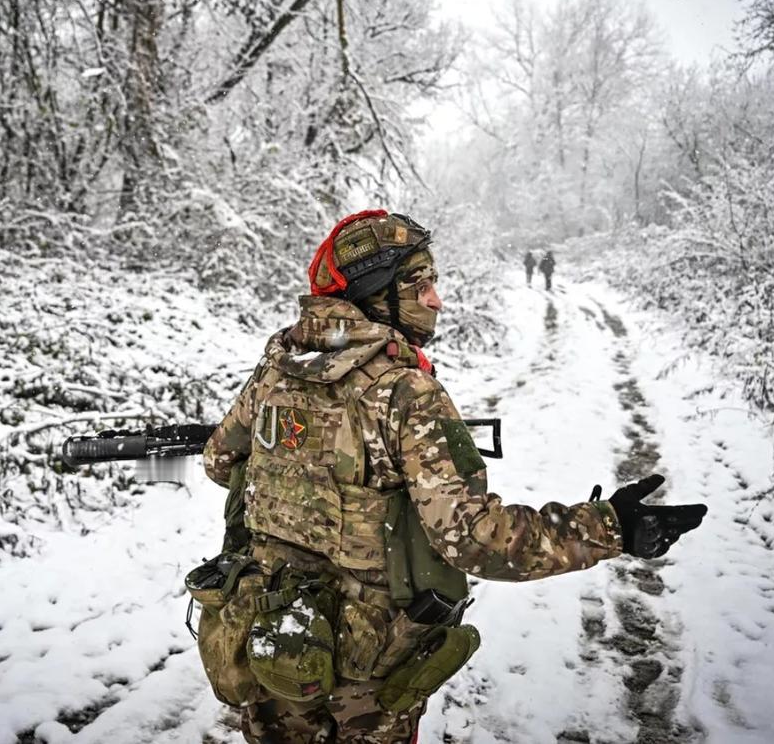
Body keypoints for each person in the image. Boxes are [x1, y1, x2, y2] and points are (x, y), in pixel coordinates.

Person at [201, 210, 706, 744]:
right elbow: (476, 539)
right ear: (376, 295)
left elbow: (220, 462)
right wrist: (610, 526)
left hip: (271, 636)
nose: (436, 300)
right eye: (419, 285)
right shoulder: (405, 392)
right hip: (362, 668)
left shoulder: (277, 369)